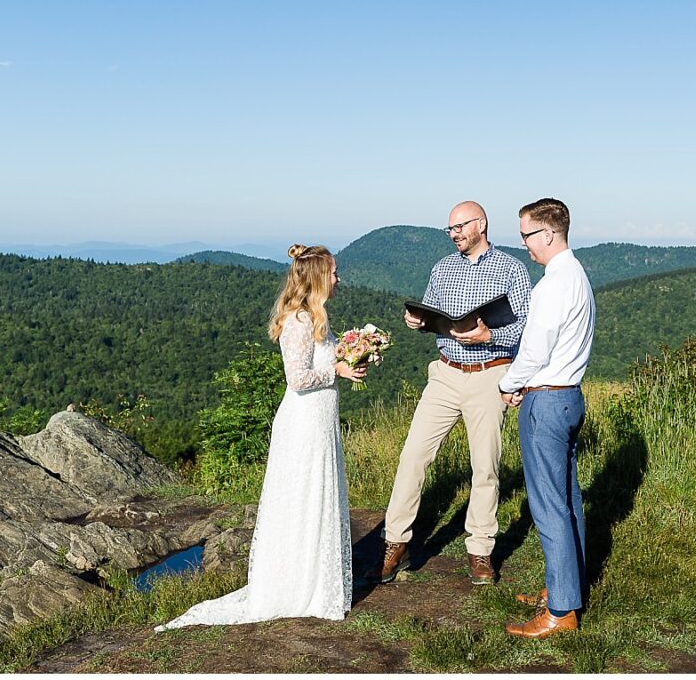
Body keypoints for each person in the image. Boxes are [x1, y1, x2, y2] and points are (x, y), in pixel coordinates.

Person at [159, 244, 367, 628]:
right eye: (334, 272)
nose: (339, 279)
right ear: (319, 278)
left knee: (318, 496)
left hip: (321, 422)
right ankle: (295, 584)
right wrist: (336, 371)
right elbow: (298, 379)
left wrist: (356, 354)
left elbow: (324, 359)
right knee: (303, 497)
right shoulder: (298, 322)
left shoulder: (316, 319)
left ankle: (318, 582)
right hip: (303, 423)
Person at [365, 200, 532, 586]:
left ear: (481, 225)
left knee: (485, 466)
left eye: (460, 227)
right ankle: (395, 544)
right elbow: (432, 312)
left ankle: (480, 550)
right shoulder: (442, 268)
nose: (454, 234)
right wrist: (417, 320)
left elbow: (526, 325)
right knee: (412, 457)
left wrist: (490, 335)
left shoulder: (511, 269)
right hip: (444, 373)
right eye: (450, 229)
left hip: (490, 374)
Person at [498, 198, 595, 638]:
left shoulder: (552, 285)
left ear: (550, 234)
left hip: (547, 402)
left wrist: (508, 384)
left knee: (549, 506)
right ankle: (565, 590)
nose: (524, 245)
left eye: (527, 236)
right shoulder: (577, 277)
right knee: (569, 502)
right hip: (570, 396)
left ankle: (560, 612)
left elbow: (535, 351)